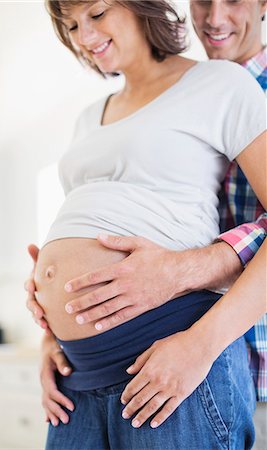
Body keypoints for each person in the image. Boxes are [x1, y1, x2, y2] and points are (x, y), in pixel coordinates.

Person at [25, 1, 266, 449]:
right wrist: (51, 329)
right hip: (76, 379)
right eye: (72, 25)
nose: (84, 35)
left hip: (168, 360)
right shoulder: (88, 118)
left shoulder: (219, 84)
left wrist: (199, 347)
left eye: (96, 14)